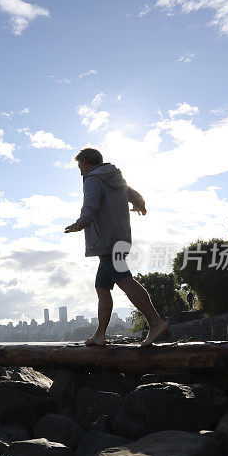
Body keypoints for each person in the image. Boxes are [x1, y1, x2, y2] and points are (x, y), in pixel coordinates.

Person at [64, 148, 169, 346]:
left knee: (125, 280)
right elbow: (132, 193)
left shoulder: (92, 178)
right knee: (102, 287)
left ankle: (156, 323)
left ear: (86, 161)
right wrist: (140, 204)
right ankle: (100, 335)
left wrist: (81, 222)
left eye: (80, 166)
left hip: (106, 242)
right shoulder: (115, 176)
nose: (80, 171)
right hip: (119, 238)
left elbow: (90, 204)